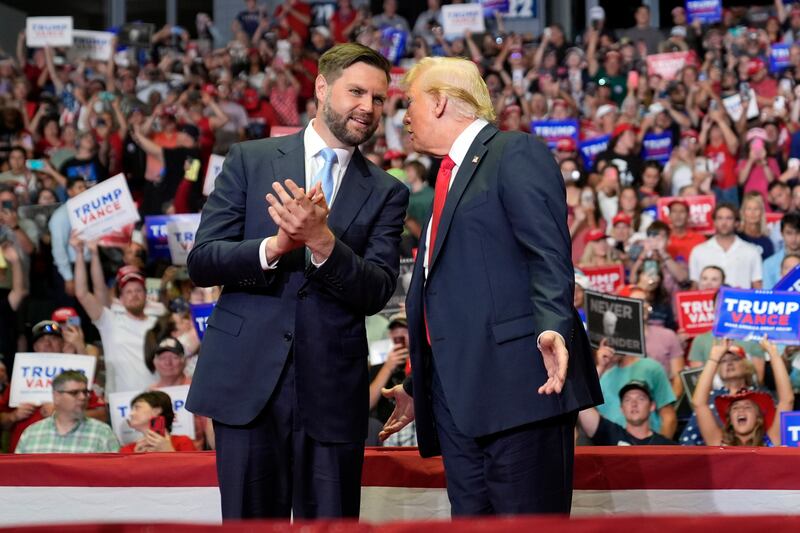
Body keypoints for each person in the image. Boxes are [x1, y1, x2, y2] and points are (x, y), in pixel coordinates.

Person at [185, 43, 408, 520]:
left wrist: (323, 243)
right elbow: (202, 260)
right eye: (356, 92)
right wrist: (275, 247)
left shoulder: (389, 191)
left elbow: (377, 290)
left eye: (378, 98)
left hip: (331, 390)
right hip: (246, 383)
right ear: (322, 88)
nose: (367, 107)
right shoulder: (248, 158)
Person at [379, 56, 602, 516]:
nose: (403, 117)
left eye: (410, 102)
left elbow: (548, 255)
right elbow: (450, 294)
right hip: (458, 401)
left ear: (440, 102)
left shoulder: (513, 152)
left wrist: (555, 327)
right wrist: (419, 380)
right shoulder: (446, 176)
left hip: (520, 390)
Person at [692, 338, 794, 446]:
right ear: (730, 419)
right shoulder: (719, 443)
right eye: (735, 408)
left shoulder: (771, 440)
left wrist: (773, 354)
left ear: (758, 417)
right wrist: (714, 358)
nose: (741, 410)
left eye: (747, 407)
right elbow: (699, 404)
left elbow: (787, 400)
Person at [15, 370, 119, 453]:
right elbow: (18, 475)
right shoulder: (32, 433)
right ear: (56, 396)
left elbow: (116, 474)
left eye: (85, 392)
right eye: (74, 393)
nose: (83, 397)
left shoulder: (102, 433)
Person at [578, 380, 677, 446]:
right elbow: (581, 401)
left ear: (652, 406)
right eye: (627, 400)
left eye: (641, 399)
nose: (634, 404)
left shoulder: (665, 446)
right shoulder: (610, 433)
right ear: (621, 408)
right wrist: (601, 367)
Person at [689, 203, 763, 288]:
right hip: (709, 300)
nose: (724, 222)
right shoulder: (698, 251)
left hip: (741, 300)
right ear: (714, 222)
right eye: (720, 218)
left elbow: (757, 285)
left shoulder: (751, 251)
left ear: (736, 223)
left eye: (729, 218)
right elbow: (694, 285)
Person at [119, 390, 196, 453]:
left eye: (137, 408)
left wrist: (169, 451)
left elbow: (194, 471)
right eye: (132, 409)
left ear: (157, 410)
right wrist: (136, 459)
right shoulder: (127, 450)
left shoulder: (183, 442)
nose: (131, 414)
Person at [763, 211, 800, 289]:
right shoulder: (769, 264)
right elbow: (767, 296)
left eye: (798, 233)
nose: (794, 238)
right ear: (782, 233)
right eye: (789, 233)